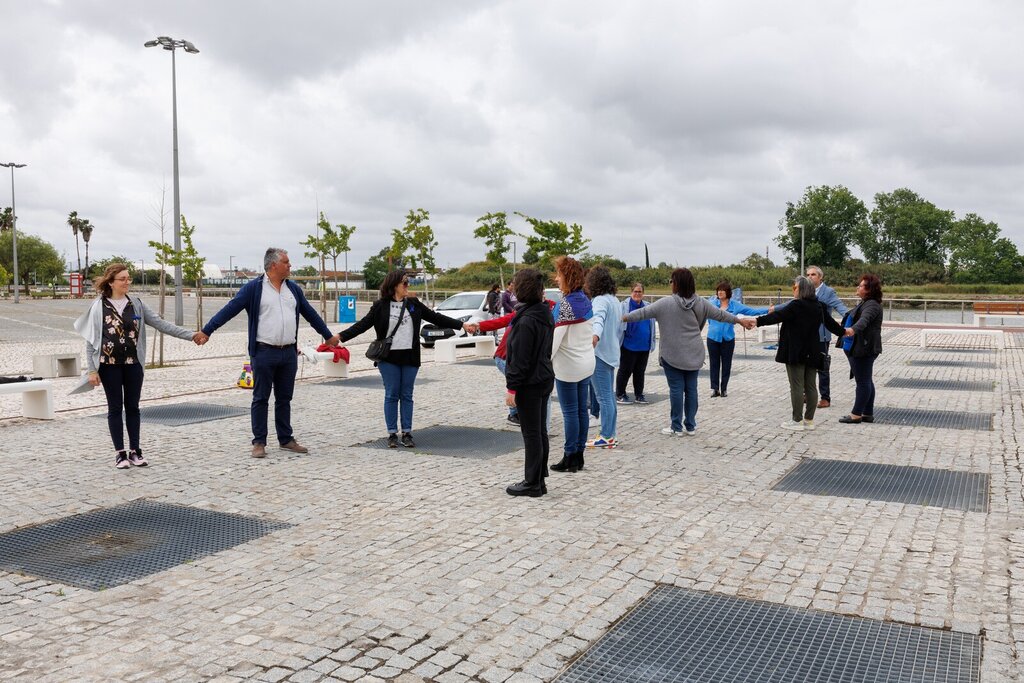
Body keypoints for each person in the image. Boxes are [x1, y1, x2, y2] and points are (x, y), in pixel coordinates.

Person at [199, 248, 340, 458]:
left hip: (289, 352)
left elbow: (310, 314)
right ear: (273, 265)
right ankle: (259, 442)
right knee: (260, 398)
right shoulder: (253, 289)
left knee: (284, 398)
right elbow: (230, 309)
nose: (290, 265)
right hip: (264, 352)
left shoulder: (293, 289)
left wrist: (328, 336)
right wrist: (207, 330)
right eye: (286, 262)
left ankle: (286, 439)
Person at [75, 262, 204, 469]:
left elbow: (161, 324)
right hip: (108, 366)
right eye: (123, 279)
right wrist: (91, 370)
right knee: (115, 408)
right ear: (111, 282)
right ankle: (120, 454)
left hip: (133, 365)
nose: (127, 282)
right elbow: (91, 341)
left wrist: (191, 335)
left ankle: (135, 451)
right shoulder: (98, 306)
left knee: (133, 408)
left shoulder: (136, 304)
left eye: (129, 278)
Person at [337, 269, 465, 447]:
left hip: (410, 357)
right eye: (404, 282)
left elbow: (436, 317)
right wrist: (340, 337)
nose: (407, 285)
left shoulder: (413, 304)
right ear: (394, 285)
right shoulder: (380, 306)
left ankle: (407, 433)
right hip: (388, 357)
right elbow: (362, 325)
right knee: (391, 394)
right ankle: (392, 434)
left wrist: (462, 325)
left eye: (408, 282)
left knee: (406, 394)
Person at [622, 268, 748, 436]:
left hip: (672, 354)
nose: (670, 284)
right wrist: (739, 321)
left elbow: (641, 313)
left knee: (676, 389)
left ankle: (676, 426)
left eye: (671, 281)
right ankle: (690, 426)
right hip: (694, 353)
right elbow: (721, 315)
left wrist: (622, 317)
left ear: (676, 284)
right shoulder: (701, 303)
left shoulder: (665, 303)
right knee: (691, 390)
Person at [753, 276, 846, 431]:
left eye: (794, 287)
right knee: (811, 386)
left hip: (795, 351)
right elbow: (831, 324)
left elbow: (777, 316)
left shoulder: (796, 305)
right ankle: (809, 421)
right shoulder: (819, 306)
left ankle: (796, 421)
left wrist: (757, 321)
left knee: (796, 386)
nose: (793, 290)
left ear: (801, 289)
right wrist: (845, 332)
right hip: (813, 351)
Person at [503, 269, 555, 497]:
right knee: (540, 431)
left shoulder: (526, 320)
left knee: (532, 433)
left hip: (530, 382)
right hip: (543, 377)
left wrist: (512, 388)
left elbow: (520, 359)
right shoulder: (543, 313)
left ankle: (532, 482)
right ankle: (539, 478)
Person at [475, 296, 557, 426]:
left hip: (516, 357)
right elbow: (501, 321)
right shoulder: (525, 314)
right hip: (504, 357)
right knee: (519, 381)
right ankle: (515, 414)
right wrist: (479, 326)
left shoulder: (547, 310)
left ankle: (530, 419)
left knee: (523, 382)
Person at [774, 266, 848, 408]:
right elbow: (791, 304)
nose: (810, 277)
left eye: (813, 274)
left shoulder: (828, 292)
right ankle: (805, 395)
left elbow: (840, 307)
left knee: (822, 366)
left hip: (820, 336)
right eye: (808, 274)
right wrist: (774, 309)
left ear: (820, 277)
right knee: (803, 366)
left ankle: (825, 398)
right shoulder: (802, 289)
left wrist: (851, 320)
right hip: (803, 337)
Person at [549, 256, 594, 473]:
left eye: (559, 275)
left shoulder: (564, 306)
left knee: (570, 412)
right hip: (586, 362)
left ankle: (569, 456)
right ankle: (579, 455)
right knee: (581, 411)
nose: (556, 279)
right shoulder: (585, 300)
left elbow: (554, 341)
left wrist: (543, 362)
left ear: (567, 277)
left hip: (568, 366)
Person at [705, 280, 767, 397]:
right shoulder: (711, 304)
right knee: (714, 363)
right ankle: (715, 388)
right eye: (718, 290)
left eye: (722, 290)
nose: (720, 292)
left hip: (728, 339)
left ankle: (724, 389)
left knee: (726, 364)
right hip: (712, 338)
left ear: (728, 292)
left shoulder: (735, 305)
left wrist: (768, 310)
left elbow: (752, 311)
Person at [838, 274, 884, 424]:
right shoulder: (866, 303)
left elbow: (864, 320)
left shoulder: (871, 305)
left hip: (864, 348)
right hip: (860, 347)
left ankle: (856, 414)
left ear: (869, 289)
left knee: (863, 382)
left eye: (861, 285)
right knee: (866, 380)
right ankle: (867, 413)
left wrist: (852, 330)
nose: (857, 287)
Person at [585, 265, 622, 449]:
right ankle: (610, 434)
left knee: (603, 397)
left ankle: (607, 435)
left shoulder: (599, 301)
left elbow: (597, 320)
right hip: (611, 352)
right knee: (609, 396)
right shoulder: (615, 300)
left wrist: (595, 337)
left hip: (599, 353)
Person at [617, 283, 656, 405]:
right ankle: (620, 394)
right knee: (625, 371)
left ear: (643, 293)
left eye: (640, 292)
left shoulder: (648, 306)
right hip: (628, 345)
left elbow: (652, 324)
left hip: (644, 345)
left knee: (640, 372)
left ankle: (639, 394)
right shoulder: (623, 306)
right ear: (631, 292)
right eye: (635, 291)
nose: (637, 294)